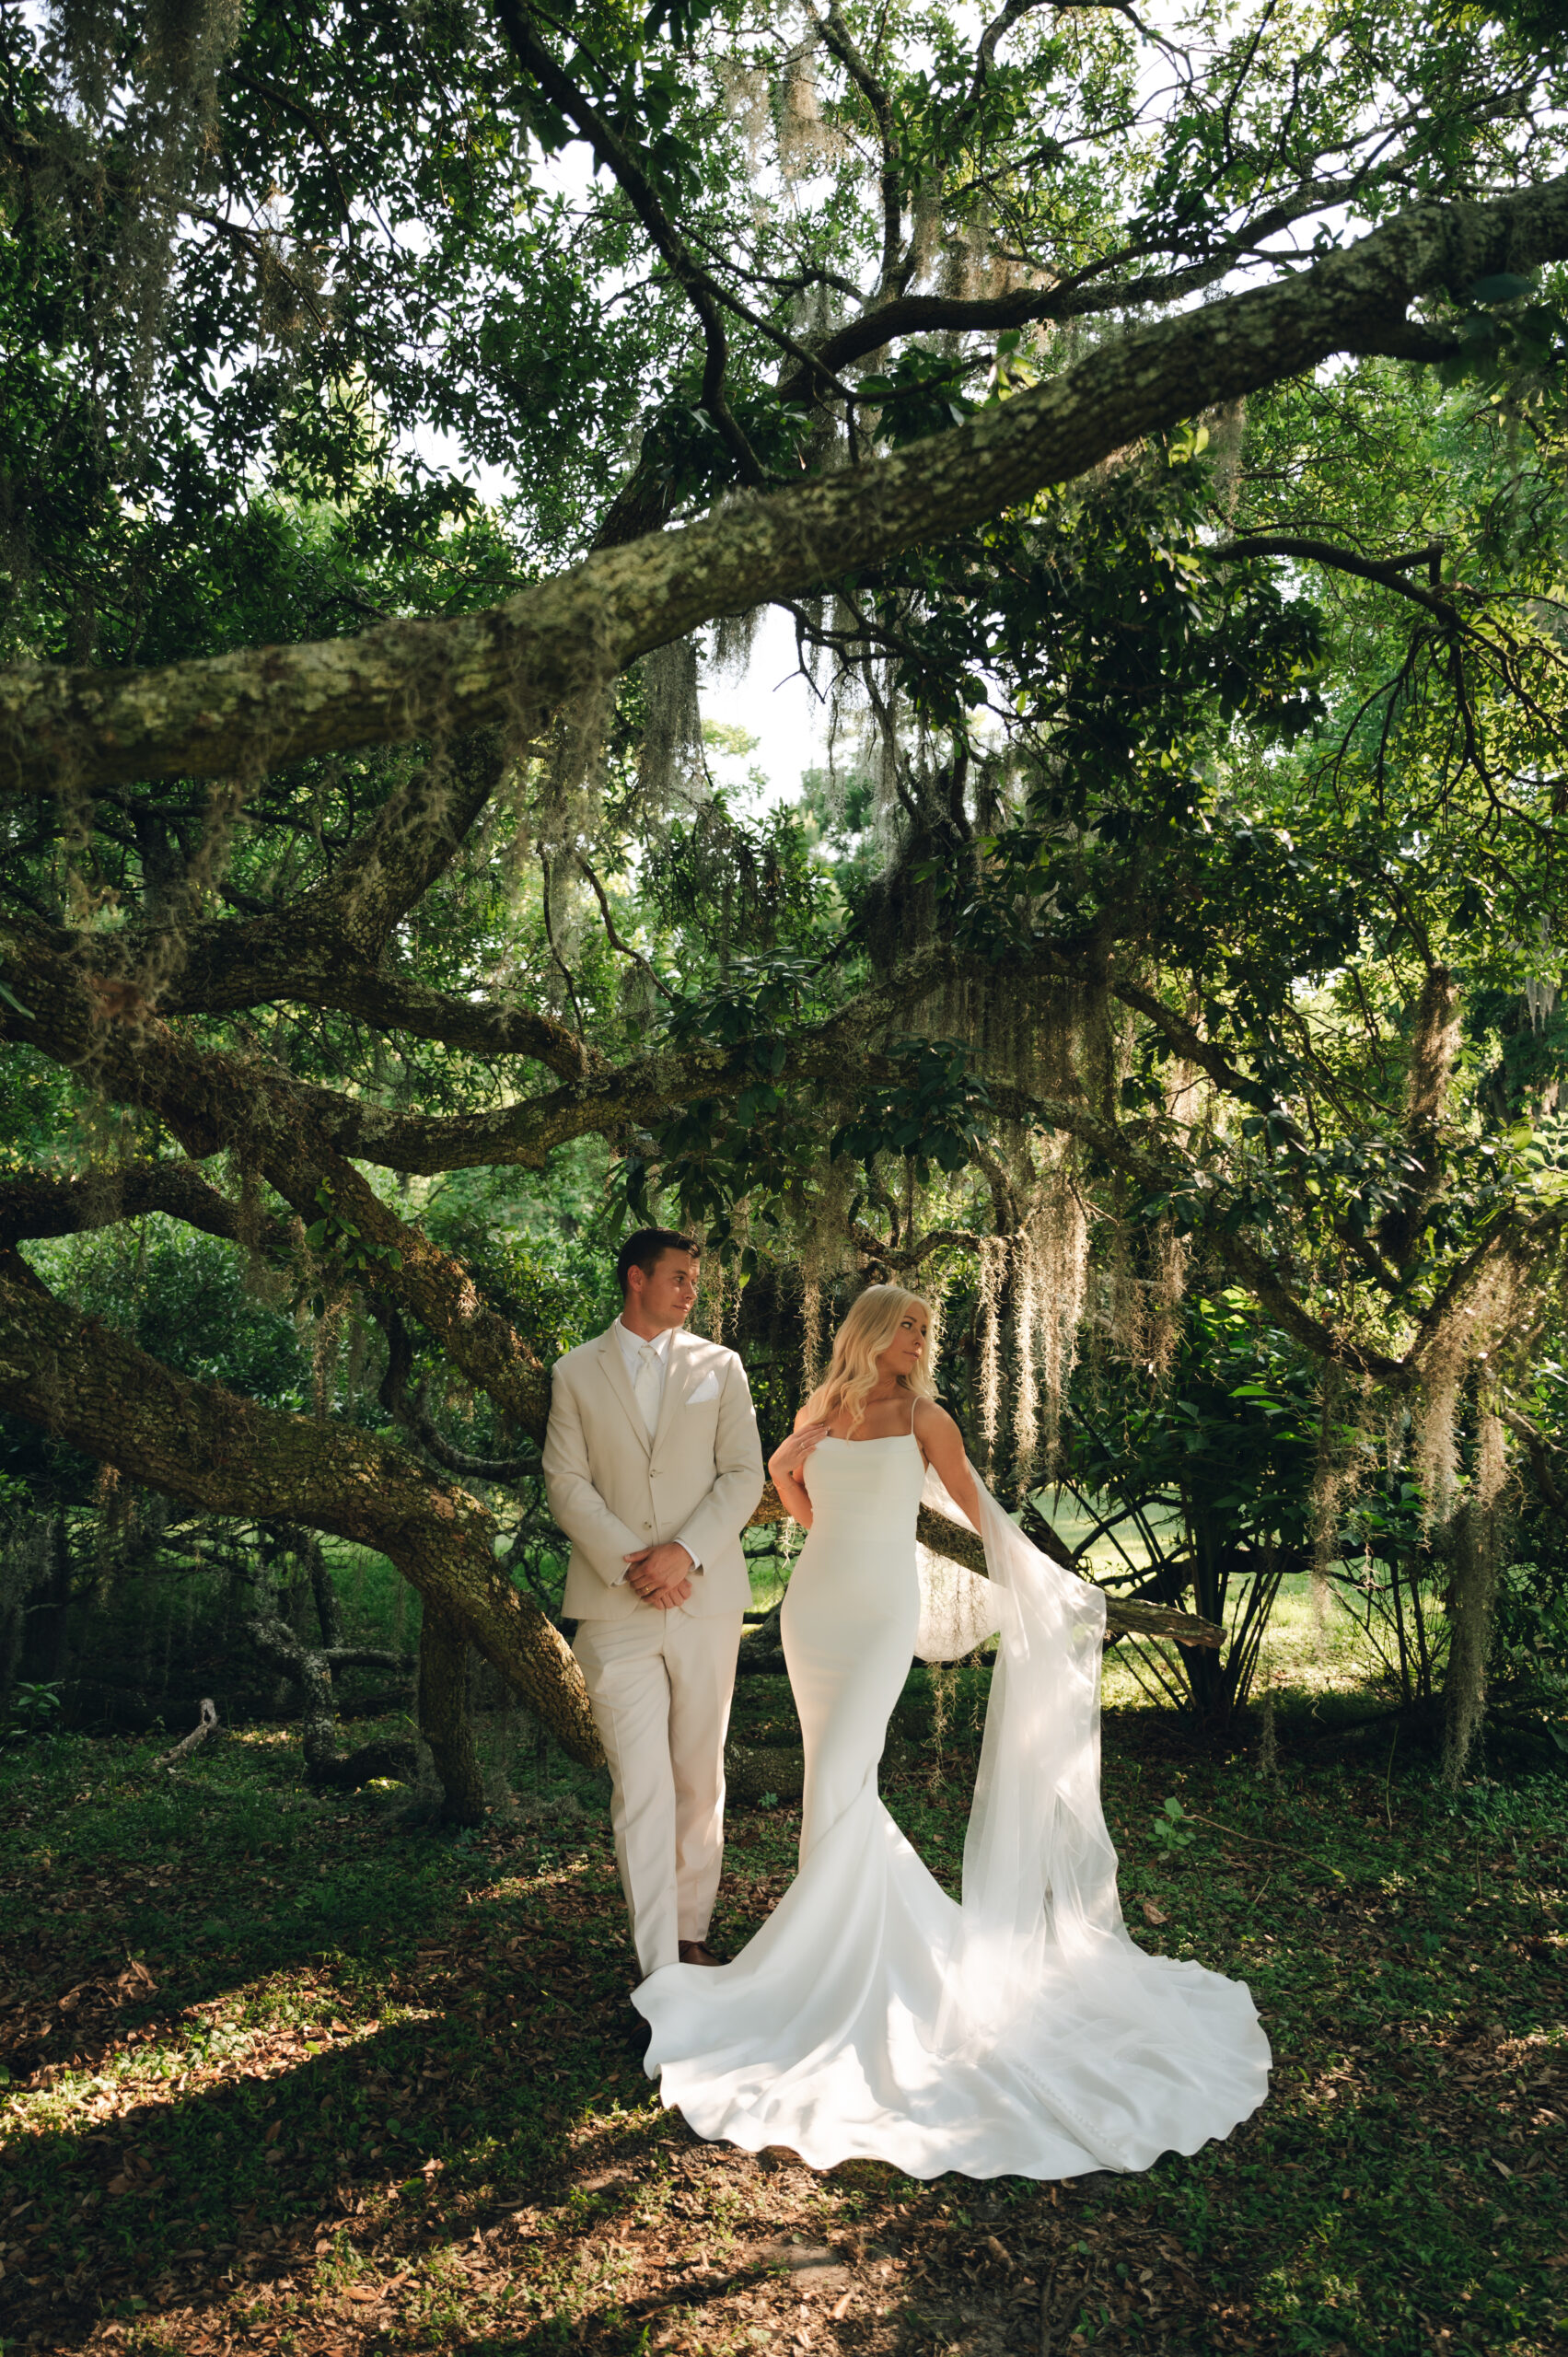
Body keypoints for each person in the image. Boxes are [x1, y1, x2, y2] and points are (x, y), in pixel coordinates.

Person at [632, 1283, 1272, 2180]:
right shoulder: (826, 1403)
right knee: (829, 1782)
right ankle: (821, 1972)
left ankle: (845, 1979)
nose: (921, 1340)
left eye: (927, 1329)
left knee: (850, 1776)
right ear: (872, 1330)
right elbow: (807, 1504)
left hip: (883, 1612)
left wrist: (1052, 1587)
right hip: (813, 1607)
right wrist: (787, 1462)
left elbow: (978, 1510)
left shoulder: (927, 1419)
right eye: (910, 1326)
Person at [542, 1228, 765, 1983]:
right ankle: (655, 1964)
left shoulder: (720, 1366)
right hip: (613, 1606)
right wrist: (635, 1564)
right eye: (677, 1276)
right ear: (635, 1278)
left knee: (699, 1776)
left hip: (705, 1599)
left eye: (694, 1278)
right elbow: (566, 1483)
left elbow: (742, 1474)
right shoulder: (574, 1372)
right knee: (639, 1788)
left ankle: (691, 1933)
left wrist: (685, 1552)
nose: (690, 1289)